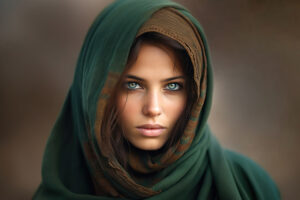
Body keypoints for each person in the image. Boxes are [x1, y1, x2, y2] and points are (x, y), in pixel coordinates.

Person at [33, 0, 280, 199]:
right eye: (133, 85)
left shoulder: (250, 185)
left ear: (196, 93)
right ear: (96, 88)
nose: (153, 108)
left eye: (173, 86)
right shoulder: (61, 191)